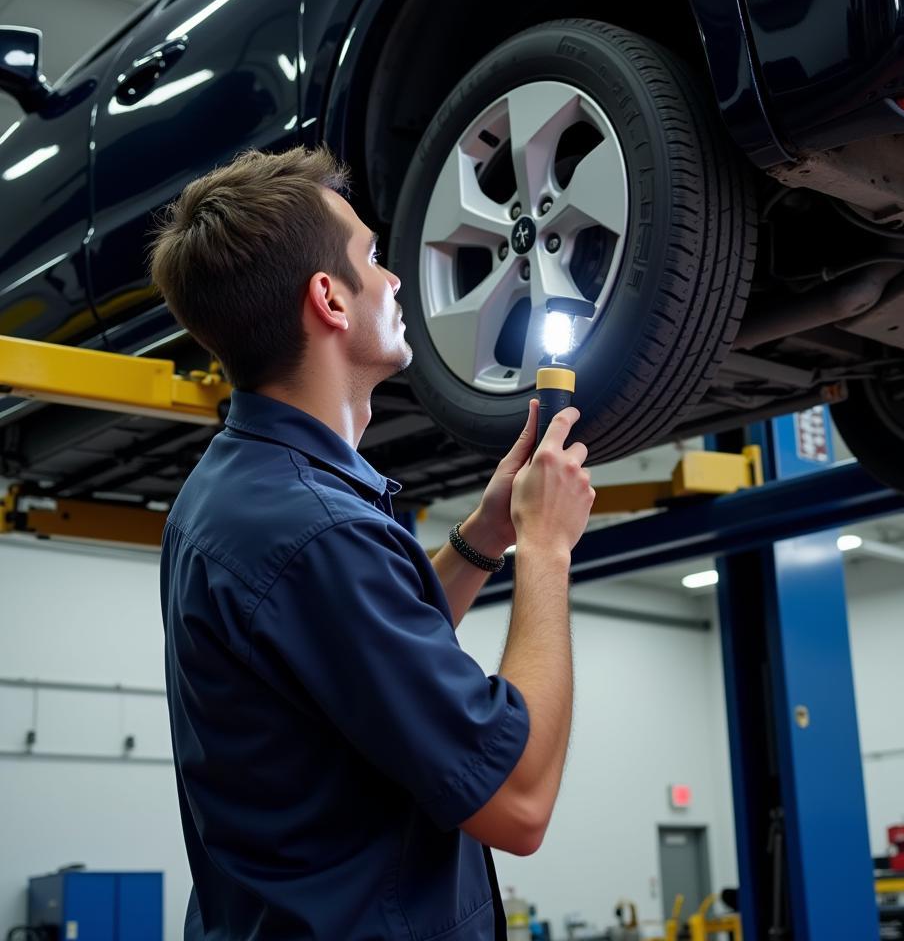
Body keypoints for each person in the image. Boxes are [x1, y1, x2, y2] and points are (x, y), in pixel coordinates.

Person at [150, 145, 595, 940]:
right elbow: (520, 801)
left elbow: (362, 654)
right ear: (328, 298)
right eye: (374, 257)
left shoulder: (238, 493)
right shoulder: (314, 530)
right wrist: (547, 549)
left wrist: (487, 537)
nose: (393, 281)